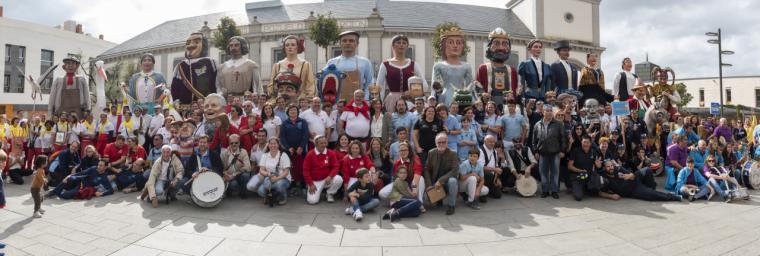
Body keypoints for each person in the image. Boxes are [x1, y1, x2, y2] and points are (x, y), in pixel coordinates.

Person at [377, 35, 428, 112]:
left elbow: (424, 85)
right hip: (392, 101)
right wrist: (378, 102)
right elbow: (380, 86)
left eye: (404, 43)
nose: (401, 45)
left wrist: (412, 92)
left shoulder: (413, 64)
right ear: (393, 46)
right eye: (398, 42)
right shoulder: (385, 64)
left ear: (407, 46)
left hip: (410, 101)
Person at [598, 160, 681, 202]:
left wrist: (630, 176)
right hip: (633, 190)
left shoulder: (618, 168)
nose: (611, 167)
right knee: (651, 194)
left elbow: (631, 174)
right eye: (608, 167)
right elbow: (600, 192)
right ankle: (673, 197)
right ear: (605, 168)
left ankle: (652, 190)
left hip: (635, 180)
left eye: (611, 165)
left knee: (648, 170)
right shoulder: (604, 178)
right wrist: (611, 196)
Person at [432, 25, 474, 105]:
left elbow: (470, 86)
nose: (455, 46)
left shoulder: (467, 66)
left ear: (462, 46)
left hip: (462, 98)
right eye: (451, 42)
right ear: (444, 46)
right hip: (444, 98)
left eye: (458, 43)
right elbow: (434, 88)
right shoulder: (438, 66)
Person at [171, 32, 217, 105]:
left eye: (196, 42)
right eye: (188, 43)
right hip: (185, 107)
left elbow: (217, 83)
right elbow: (175, 87)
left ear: (204, 45)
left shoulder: (211, 63)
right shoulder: (180, 66)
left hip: (207, 105)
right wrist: (176, 101)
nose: (191, 45)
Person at [476, 28, 518, 106]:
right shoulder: (483, 68)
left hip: (507, 106)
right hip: (489, 106)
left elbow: (515, 91)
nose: (501, 48)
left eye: (505, 44)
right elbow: (478, 87)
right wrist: (483, 95)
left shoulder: (512, 70)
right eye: (497, 43)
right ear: (489, 46)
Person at [533, 105, 566, 198]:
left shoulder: (559, 124)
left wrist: (562, 150)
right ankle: (545, 191)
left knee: (555, 173)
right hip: (542, 153)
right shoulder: (537, 124)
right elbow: (534, 140)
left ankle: (554, 191)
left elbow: (563, 138)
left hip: (555, 152)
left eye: (550, 111)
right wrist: (535, 151)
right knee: (543, 173)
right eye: (547, 111)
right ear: (543, 112)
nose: (549, 112)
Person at [267, 35, 315, 100]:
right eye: (287, 45)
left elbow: (310, 86)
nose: (290, 47)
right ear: (284, 47)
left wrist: (306, 100)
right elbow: (271, 86)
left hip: (299, 103)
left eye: (293, 45)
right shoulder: (277, 65)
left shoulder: (305, 64)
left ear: (297, 47)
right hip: (280, 103)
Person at [425, 133, 460, 215]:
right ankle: (439, 198)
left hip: (446, 182)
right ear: (436, 143)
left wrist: (441, 180)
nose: (441, 144)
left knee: (453, 181)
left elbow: (455, 170)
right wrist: (429, 184)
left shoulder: (453, 153)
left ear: (447, 142)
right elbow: (426, 169)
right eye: (439, 142)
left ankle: (451, 205)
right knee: (426, 199)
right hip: (434, 181)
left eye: (443, 142)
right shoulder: (431, 152)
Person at [250, 137, 291, 206]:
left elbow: (286, 172)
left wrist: (277, 178)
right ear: (268, 145)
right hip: (269, 177)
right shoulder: (265, 155)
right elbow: (261, 170)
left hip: (283, 178)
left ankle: (282, 197)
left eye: (275, 143)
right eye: (271, 144)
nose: (273, 145)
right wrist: (268, 174)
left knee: (278, 185)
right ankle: (272, 196)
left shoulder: (283, 155)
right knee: (260, 191)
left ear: (278, 145)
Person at [302, 135, 342, 204]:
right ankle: (310, 189)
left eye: (325, 143)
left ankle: (329, 193)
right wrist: (311, 184)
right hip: (315, 181)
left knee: (339, 179)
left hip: (327, 179)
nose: (324, 145)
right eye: (321, 143)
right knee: (312, 201)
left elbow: (336, 166)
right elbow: (306, 171)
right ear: (316, 144)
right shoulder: (310, 154)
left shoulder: (330, 153)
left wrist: (330, 176)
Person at [48, 159, 113, 200]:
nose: (98, 166)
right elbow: (82, 173)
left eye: (101, 165)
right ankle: (54, 192)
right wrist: (69, 176)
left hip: (82, 188)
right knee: (69, 178)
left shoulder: (104, 177)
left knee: (65, 196)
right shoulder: (93, 168)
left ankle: (61, 192)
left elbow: (111, 190)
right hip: (79, 181)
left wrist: (102, 194)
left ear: (105, 167)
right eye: (98, 165)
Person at [280, 105, 310, 191]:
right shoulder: (285, 123)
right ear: (288, 112)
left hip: (301, 150)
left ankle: (303, 184)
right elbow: (282, 137)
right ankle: (291, 185)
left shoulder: (303, 122)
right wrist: (288, 147)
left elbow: (306, 135)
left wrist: (301, 147)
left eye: (295, 110)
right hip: (289, 150)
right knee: (290, 167)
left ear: (297, 112)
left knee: (302, 167)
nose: (293, 111)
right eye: (291, 110)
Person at [567, 135, 603, 201]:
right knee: (579, 197)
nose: (585, 144)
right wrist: (580, 171)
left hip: (588, 177)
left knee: (604, 182)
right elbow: (570, 166)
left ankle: (586, 188)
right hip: (577, 177)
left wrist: (599, 165)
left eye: (587, 142)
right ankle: (573, 188)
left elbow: (599, 167)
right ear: (581, 142)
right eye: (584, 142)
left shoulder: (593, 152)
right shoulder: (575, 151)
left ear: (590, 143)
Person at [221, 134, 252, 198]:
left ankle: (243, 192)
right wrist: (225, 174)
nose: (234, 144)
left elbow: (248, 167)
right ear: (229, 143)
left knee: (246, 175)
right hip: (229, 176)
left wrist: (234, 174)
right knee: (233, 185)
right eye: (231, 143)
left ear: (239, 143)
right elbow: (221, 168)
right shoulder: (224, 153)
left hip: (239, 174)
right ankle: (229, 190)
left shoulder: (243, 152)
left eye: (236, 142)